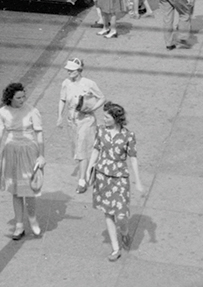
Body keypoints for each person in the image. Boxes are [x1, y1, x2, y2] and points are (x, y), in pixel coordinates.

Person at [83, 102, 144, 261]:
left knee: (122, 214)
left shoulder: (128, 136)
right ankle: (115, 248)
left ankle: (124, 232)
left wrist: (137, 180)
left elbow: (133, 158)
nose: (104, 119)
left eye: (107, 117)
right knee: (108, 213)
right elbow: (96, 150)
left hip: (120, 177)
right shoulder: (101, 131)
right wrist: (89, 170)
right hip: (102, 176)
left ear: (116, 118)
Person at [0, 81, 44, 239]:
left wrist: (41, 155)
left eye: (23, 96)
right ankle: (19, 225)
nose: (22, 100)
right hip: (11, 151)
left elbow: (39, 134)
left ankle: (32, 219)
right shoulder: (2, 112)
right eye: (18, 97)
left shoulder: (32, 111)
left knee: (30, 188)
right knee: (16, 191)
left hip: (29, 150)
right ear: (10, 98)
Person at [57, 58, 104, 180]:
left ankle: (82, 179)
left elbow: (101, 98)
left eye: (72, 70)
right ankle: (93, 165)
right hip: (72, 120)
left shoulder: (89, 84)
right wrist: (59, 116)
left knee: (81, 148)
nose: (69, 72)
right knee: (76, 147)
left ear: (79, 70)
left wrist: (93, 108)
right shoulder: (66, 83)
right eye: (68, 70)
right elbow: (62, 99)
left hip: (86, 120)